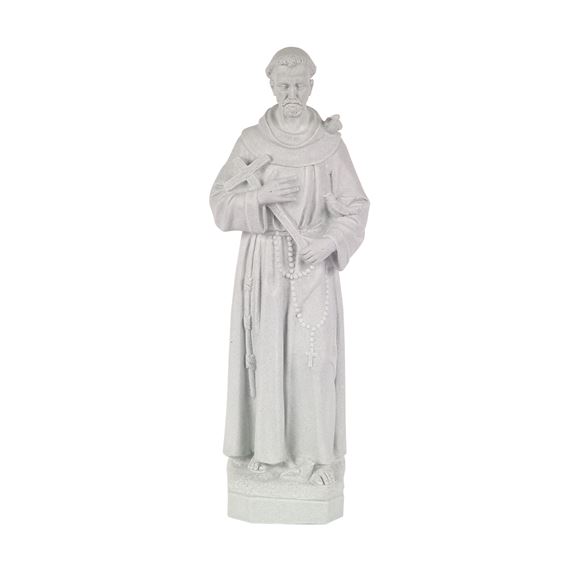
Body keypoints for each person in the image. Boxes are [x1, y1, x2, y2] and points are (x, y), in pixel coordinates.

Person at [210, 47, 369, 486]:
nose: (292, 94)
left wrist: (330, 241)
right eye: (284, 86)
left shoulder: (329, 145)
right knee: (266, 359)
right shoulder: (251, 142)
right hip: (263, 265)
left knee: (313, 362)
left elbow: (356, 206)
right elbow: (219, 203)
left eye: (299, 85)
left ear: (311, 86)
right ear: (272, 86)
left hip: (313, 265)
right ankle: (268, 454)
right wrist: (259, 197)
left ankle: (314, 457)